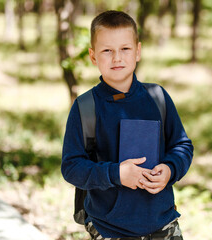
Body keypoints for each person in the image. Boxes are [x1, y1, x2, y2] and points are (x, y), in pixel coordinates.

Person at [61, 10, 193, 239]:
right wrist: (116, 174)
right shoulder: (85, 107)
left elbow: (182, 145)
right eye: (107, 51)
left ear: (138, 51)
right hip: (110, 228)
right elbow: (72, 167)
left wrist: (171, 169)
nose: (117, 58)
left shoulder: (158, 97)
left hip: (163, 222)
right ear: (93, 56)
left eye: (125, 49)